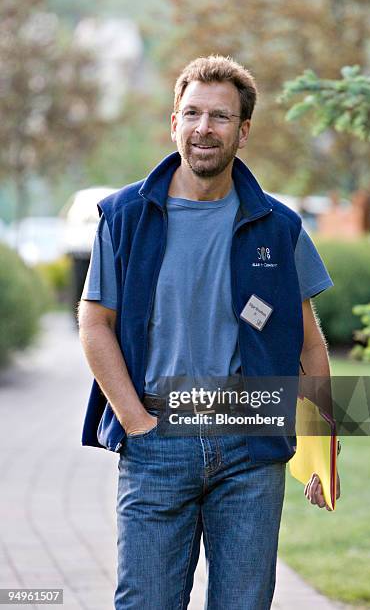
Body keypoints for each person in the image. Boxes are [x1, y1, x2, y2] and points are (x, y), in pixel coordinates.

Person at [78, 55, 340, 610]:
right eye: (191, 113)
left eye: (220, 117)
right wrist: (136, 422)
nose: (203, 128)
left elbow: (309, 346)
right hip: (156, 442)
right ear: (173, 123)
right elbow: (95, 324)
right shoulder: (125, 215)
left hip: (250, 446)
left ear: (243, 132)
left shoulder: (279, 225)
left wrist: (320, 449)